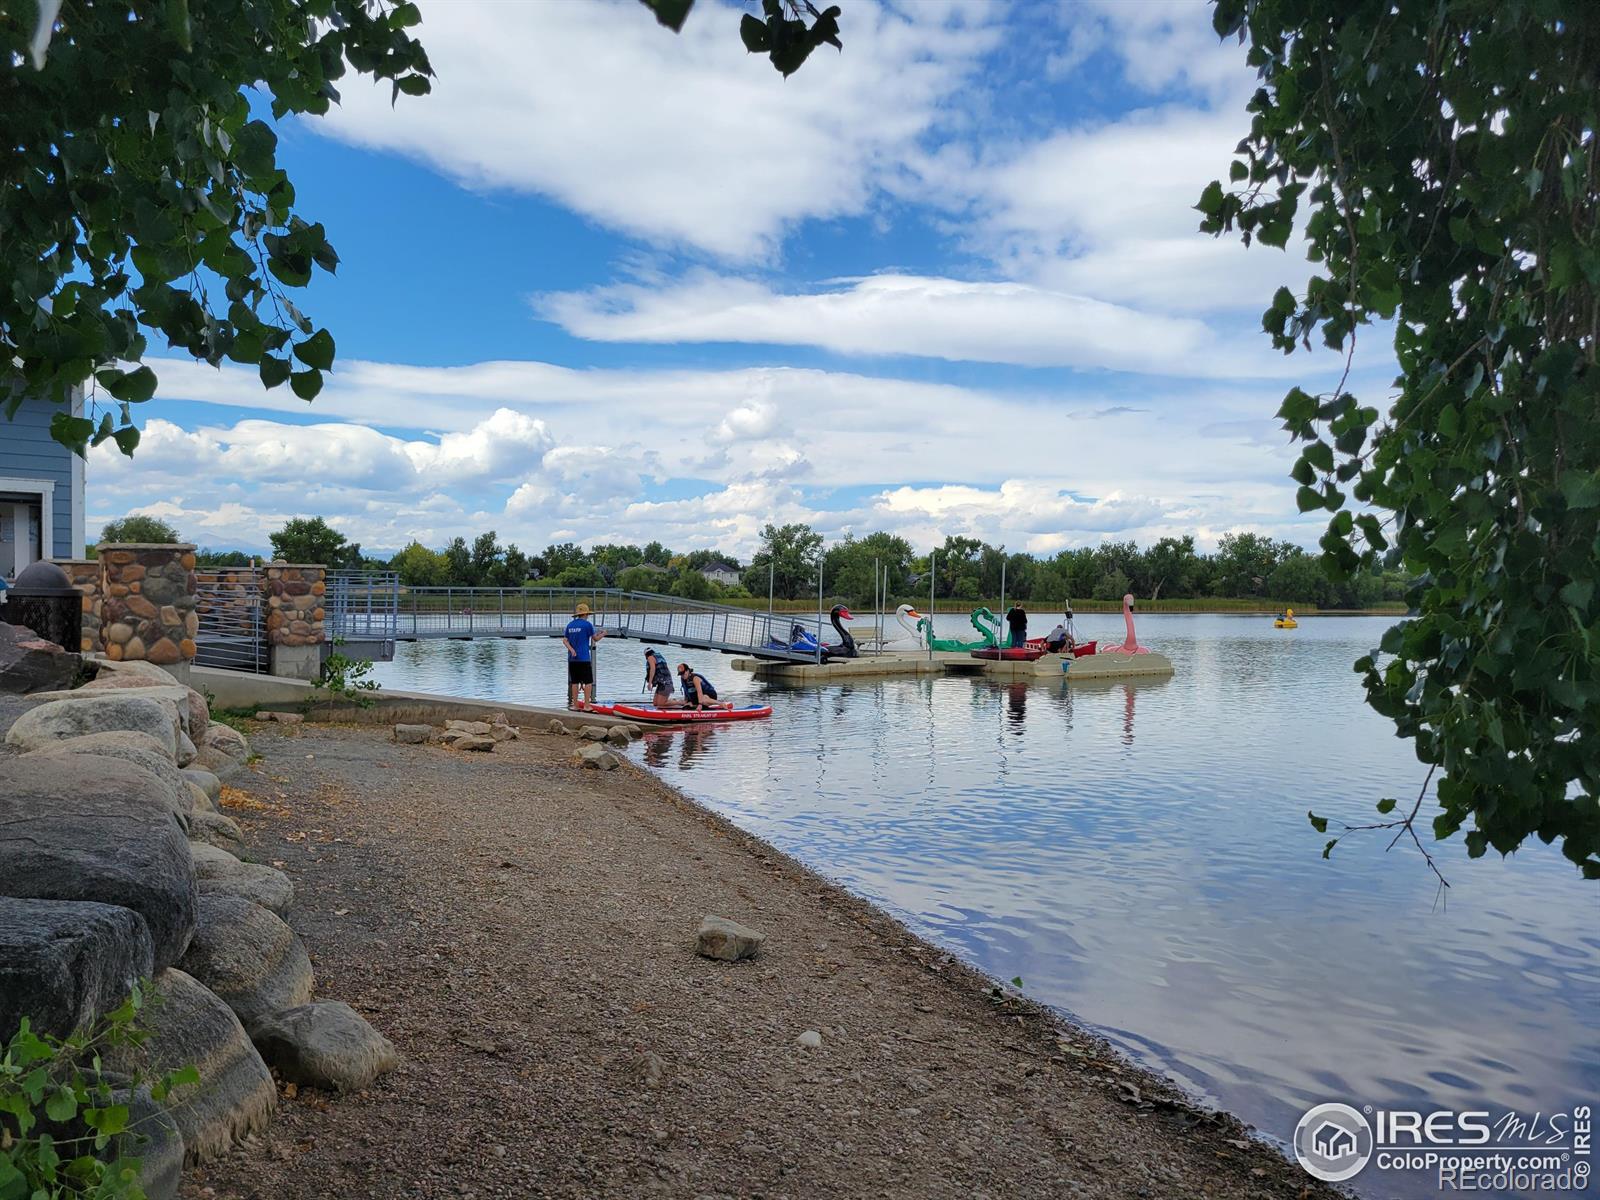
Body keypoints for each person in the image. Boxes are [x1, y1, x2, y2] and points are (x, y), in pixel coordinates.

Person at [563, 601, 605, 710]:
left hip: (572, 659)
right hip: (584, 658)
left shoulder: (570, 625)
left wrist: (571, 650)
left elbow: (565, 640)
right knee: (588, 682)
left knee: (575, 682)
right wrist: (603, 634)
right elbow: (595, 638)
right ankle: (587, 705)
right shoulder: (587, 625)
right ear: (586, 614)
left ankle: (575, 705)